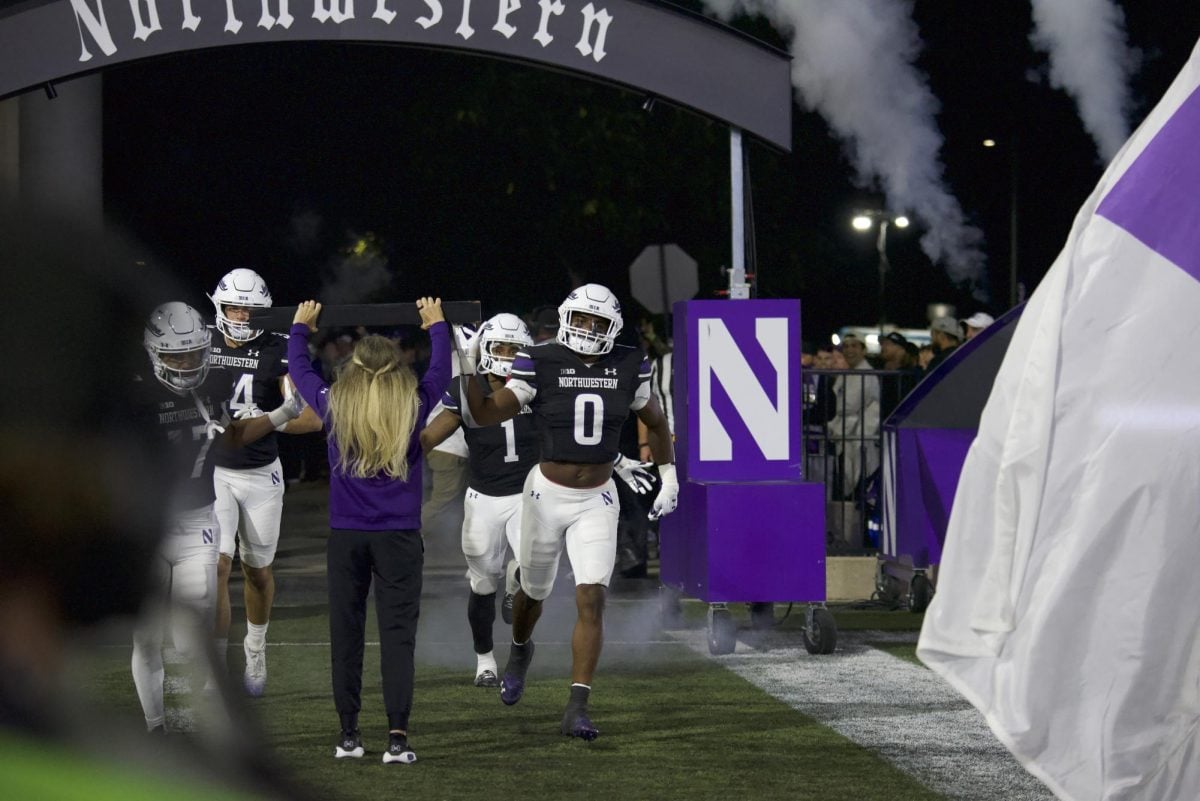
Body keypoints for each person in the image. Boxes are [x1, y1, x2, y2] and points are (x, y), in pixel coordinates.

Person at [463, 283, 678, 741]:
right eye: (579, 318)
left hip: (598, 496)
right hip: (546, 493)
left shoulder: (628, 363)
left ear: (611, 328)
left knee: (592, 595)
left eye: (595, 322)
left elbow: (655, 421)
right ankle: (520, 649)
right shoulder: (538, 359)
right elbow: (484, 414)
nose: (585, 328)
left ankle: (577, 704)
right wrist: (466, 367)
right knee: (532, 594)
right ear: (565, 317)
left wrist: (670, 477)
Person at [287, 297, 449, 766]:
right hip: (399, 536)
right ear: (397, 369)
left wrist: (301, 328)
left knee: (347, 635)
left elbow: (301, 372)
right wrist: (437, 325)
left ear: (353, 369)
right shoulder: (413, 404)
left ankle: (349, 736)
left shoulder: (336, 404)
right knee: (398, 637)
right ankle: (397, 738)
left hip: (347, 537)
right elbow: (441, 370)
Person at [133, 302, 305, 734]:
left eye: (193, 353)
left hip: (198, 521)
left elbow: (230, 440)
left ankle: (196, 723)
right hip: (148, 526)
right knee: (146, 635)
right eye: (177, 355)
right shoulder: (133, 396)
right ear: (156, 353)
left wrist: (281, 414)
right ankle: (157, 728)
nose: (188, 363)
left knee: (193, 635)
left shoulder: (214, 386)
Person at [208, 268, 323, 697]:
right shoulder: (203, 345)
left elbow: (310, 417)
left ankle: (255, 649)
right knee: (215, 566)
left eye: (249, 308)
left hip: (260, 472)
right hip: (214, 471)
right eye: (233, 306)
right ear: (219, 307)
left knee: (257, 571)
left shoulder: (276, 351)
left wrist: (264, 422)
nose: (239, 315)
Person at [420, 313, 540, 688]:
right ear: (483, 350)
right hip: (484, 497)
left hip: (528, 493)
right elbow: (427, 438)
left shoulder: (540, 385)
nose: (506, 355)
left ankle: (516, 585)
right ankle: (485, 658)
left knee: (533, 572)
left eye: (514, 349)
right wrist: (392, 455)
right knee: (481, 585)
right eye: (499, 348)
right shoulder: (464, 388)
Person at [828, 333, 880, 500]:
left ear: (863, 350)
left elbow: (847, 404)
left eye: (854, 346)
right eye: (846, 346)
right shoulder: (849, 373)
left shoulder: (866, 374)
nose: (849, 350)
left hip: (860, 438)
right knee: (848, 485)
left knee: (860, 484)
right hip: (847, 436)